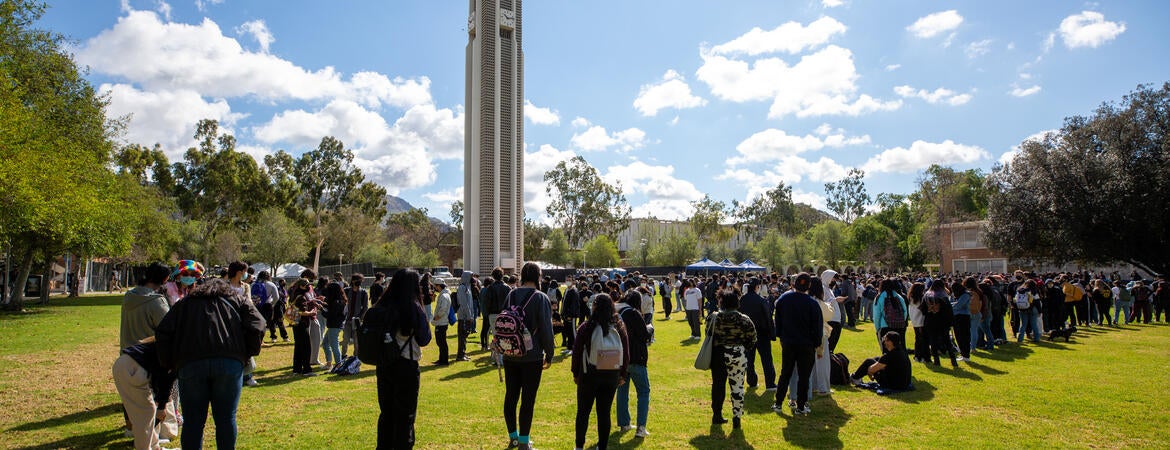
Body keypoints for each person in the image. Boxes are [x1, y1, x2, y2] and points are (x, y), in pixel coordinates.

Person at [155, 278, 265, 450]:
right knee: (226, 418)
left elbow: (163, 332)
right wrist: (246, 353)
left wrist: (170, 362)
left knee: (193, 421)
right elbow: (258, 325)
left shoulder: (184, 304)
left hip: (190, 363)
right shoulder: (237, 300)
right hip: (229, 362)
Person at [373, 269, 432, 449]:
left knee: (387, 412)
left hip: (384, 363)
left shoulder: (382, 304)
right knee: (405, 414)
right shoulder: (412, 306)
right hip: (406, 363)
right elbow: (424, 338)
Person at [500, 263, 556, 450]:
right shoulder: (540, 298)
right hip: (532, 356)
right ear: (538, 276)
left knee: (511, 396)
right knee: (528, 400)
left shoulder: (511, 294)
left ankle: (513, 437)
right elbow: (547, 330)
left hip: (510, 352)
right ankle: (524, 442)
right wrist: (550, 353)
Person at [119, 262, 174, 442]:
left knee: (131, 399)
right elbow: (169, 328)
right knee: (150, 399)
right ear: (165, 279)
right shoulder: (156, 302)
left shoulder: (129, 297)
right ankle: (154, 434)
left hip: (126, 353)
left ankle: (130, 427)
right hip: (148, 356)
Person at [571, 293, 630, 450]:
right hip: (611, 374)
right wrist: (622, 374)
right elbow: (626, 352)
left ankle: (579, 446)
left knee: (583, 412)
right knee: (604, 413)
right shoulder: (619, 326)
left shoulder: (586, 327)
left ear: (594, 307)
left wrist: (575, 373)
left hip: (589, 373)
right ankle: (602, 446)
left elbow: (576, 352)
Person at [772, 273, 822, 416]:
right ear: (809, 286)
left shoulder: (784, 299)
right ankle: (801, 405)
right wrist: (816, 342)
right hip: (806, 343)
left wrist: (780, 335)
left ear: (794, 284)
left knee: (785, 373)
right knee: (804, 376)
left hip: (788, 341)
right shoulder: (812, 303)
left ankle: (778, 403)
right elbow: (817, 326)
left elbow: (778, 318)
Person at [113, 337, 176, 450]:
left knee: (148, 410)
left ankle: (153, 446)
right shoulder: (174, 350)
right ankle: (145, 447)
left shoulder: (166, 343)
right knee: (146, 412)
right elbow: (166, 377)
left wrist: (160, 405)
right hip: (133, 369)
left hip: (123, 365)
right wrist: (162, 406)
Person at [708, 289, 757, 428]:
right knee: (737, 386)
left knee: (718, 385)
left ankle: (717, 414)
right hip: (737, 354)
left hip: (718, 354)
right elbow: (752, 338)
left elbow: (708, 333)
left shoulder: (713, 317)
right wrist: (744, 348)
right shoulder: (744, 319)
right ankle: (737, 416)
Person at [614, 290, 651, 438]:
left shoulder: (617, 314)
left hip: (621, 359)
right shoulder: (634, 314)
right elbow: (644, 336)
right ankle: (641, 427)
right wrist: (650, 328)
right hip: (636, 357)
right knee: (643, 392)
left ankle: (624, 424)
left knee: (622, 391)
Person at [738, 278, 776, 390]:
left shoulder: (742, 300)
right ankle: (770, 383)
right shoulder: (761, 300)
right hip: (762, 333)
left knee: (749, 359)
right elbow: (768, 317)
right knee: (766, 359)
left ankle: (752, 381)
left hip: (747, 334)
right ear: (757, 287)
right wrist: (772, 333)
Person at [922, 281, 958, 367]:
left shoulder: (926, 295)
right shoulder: (943, 296)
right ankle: (953, 361)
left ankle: (936, 361)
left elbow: (923, 310)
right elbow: (948, 311)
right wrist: (951, 322)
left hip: (930, 321)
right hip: (943, 322)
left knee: (933, 341)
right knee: (947, 341)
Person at [288, 279, 318, 376]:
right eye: (306, 286)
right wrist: (311, 313)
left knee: (298, 347)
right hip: (302, 323)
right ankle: (306, 370)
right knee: (306, 347)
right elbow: (301, 312)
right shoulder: (301, 297)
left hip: (295, 323)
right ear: (301, 286)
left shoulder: (294, 294)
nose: (308, 287)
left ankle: (296, 369)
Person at [871, 279, 908, 353]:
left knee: (887, 352)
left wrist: (877, 328)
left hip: (885, 326)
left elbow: (877, 315)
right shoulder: (899, 297)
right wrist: (901, 321)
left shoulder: (880, 297)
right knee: (900, 350)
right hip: (899, 326)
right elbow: (905, 312)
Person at [342, 273, 369, 360]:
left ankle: (356, 357)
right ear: (353, 281)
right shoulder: (346, 291)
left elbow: (365, 307)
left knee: (357, 341)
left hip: (357, 321)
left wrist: (360, 318)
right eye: (358, 280)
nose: (359, 282)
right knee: (345, 339)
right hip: (347, 319)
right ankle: (343, 356)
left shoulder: (364, 293)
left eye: (360, 281)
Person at [456, 272, 476, 362]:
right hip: (463, 317)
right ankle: (460, 355)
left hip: (468, 317)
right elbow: (463, 304)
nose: (473, 278)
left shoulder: (468, 287)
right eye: (471, 276)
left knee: (465, 336)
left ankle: (463, 353)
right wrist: (468, 316)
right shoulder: (462, 288)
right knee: (462, 336)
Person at [950, 281, 972, 361]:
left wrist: (950, 305)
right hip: (957, 317)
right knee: (958, 336)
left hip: (963, 317)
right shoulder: (957, 295)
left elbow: (959, 305)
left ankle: (966, 355)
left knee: (964, 337)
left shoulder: (965, 295)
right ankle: (963, 354)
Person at [906, 282, 929, 362]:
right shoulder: (921, 299)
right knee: (923, 340)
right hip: (921, 321)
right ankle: (923, 357)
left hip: (915, 321)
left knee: (918, 339)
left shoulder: (911, 298)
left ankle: (917, 356)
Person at [431, 282, 452, 366]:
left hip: (441, 322)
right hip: (442, 321)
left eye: (435, 286)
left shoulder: (444, 296)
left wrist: (437, 317)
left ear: (439, 286)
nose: (435, 288)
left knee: (441, 342)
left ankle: (444, 360)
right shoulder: (444, 294)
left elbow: (443, 309)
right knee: (441, 342)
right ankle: (441, 359)